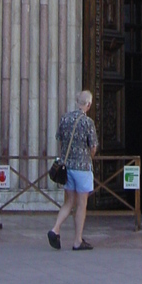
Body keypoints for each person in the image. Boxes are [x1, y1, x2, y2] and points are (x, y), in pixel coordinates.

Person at [48, 89, 98, 251]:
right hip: (82, 168)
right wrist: (89, 156)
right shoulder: (87, 122)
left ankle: (55, 229)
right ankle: (77, 240)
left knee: (69, 202)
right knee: (81, 204)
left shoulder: (65, 118)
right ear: (88, 104)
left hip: (67, 167)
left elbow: (60, 140)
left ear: (78, 102)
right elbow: (93, 147)